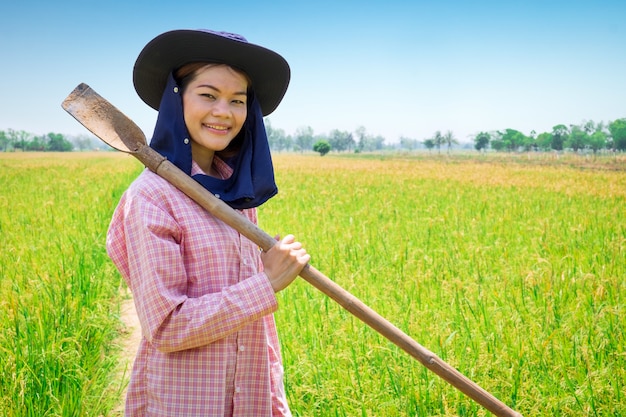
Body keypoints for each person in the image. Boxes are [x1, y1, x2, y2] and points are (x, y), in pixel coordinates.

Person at [106, 29, 310, 417]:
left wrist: (274, 402)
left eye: (237, 100)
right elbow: (166, 327)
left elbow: (256, 329)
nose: (224, 111)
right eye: (208, 95)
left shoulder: (236, 191)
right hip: (185, 402)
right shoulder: (152, 197)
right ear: (176, 98)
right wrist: (265, 284)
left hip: (249, 398)